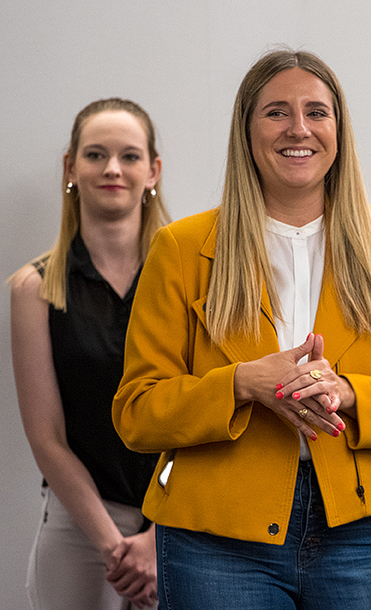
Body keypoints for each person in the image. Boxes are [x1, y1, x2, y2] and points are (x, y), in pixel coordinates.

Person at [112, 49, 371, 609]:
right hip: (214, 541)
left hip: (360, 532)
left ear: (338, 130)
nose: (298, 128)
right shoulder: (179, 248)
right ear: (246, 131)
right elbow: (136, 411)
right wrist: (241, 383)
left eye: (316, 112)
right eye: (276, 112)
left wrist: (350, 394)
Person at [12, 98, 169, 610]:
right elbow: (47, 438)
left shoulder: (193, 284)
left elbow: (206, 419)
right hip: (80, 525)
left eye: (129, 156)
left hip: (179, 519)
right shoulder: (33, 289)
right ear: (70, 167)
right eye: (96, 154)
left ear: (153, 171)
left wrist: (154, 538)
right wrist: (116, 546)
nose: (113, 169)